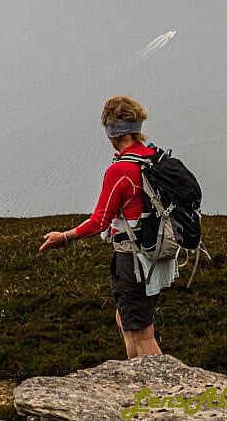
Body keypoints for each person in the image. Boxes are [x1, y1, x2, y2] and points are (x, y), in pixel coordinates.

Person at [39, 95, 175, 359]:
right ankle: (137, 382)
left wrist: (64, 237)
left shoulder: (121, 169)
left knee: (142, 333)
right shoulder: (153, 157)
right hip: (153, 253)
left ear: (111, 132)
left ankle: (157, 392)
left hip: (132, 258)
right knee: (126, 320)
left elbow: (100, 220)